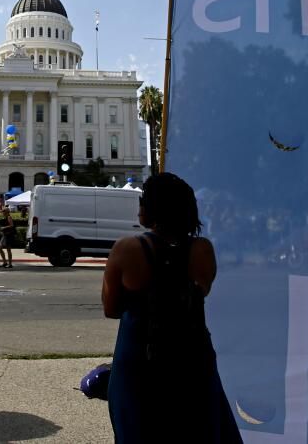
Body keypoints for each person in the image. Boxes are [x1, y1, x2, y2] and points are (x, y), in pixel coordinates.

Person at [101, 172, 242, 443]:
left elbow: (111, 308)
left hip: (140, 356)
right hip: (192, 355)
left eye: (143, 200)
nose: (139, 207)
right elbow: (200, 293)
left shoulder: (127, 248)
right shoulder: (202, 249)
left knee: (139, 430)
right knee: (195, 429)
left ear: (152, 208)